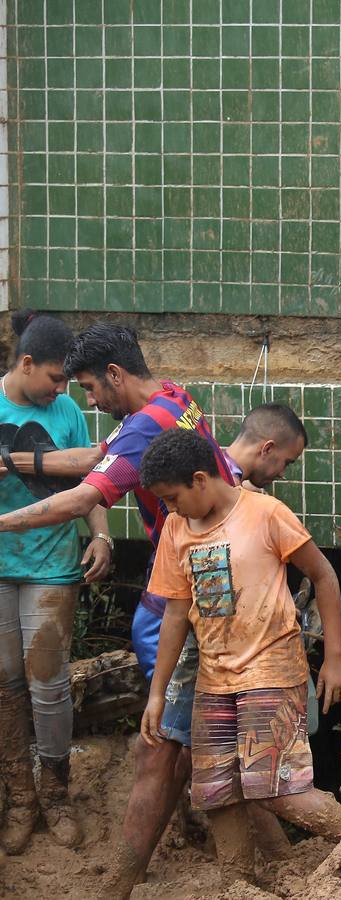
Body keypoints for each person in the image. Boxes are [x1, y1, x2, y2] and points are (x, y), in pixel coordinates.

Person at [0, 324, 290, 896]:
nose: (86, 400)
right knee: (200, 726)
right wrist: (17, 461)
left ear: (114, 376)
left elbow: (87, 493)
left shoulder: (142, 429)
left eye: (88, 387)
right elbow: (95, 458)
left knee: (166, 737)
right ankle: (254, 847)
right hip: (216, 584)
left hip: (185, 593)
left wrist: (3, 520)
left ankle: (129, 874)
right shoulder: (175, 400)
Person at [137, 429, 341, 885]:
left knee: (282, 792)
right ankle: (239, 887)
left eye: (173, 498)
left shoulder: (265, 513)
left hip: (271, 671)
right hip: (213, 681)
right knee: (217, 794)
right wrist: (157, 694)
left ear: (200, 480)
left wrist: (334, 656)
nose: (170, 510)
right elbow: (177, 612)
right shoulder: (178, 528)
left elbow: (324, 575)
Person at [0, 312, 113, 853]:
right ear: (25, 364)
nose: (62, 391)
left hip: (51, 565)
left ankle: (56, 795)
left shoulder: (65, 411)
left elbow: (93, 480)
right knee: (6, 687)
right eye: (54, 378)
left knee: (47, 684)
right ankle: (20, 798)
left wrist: (102, 536)